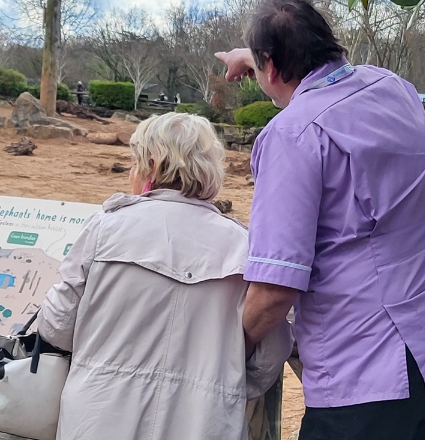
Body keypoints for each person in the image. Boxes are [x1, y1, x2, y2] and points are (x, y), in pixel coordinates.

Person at [215, 0, 425, 440]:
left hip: (373, 375)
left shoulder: (291, 135)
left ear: (269, 65)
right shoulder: (392, 87)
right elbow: (307, 71)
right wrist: (257, 55)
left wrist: (227, 353)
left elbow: (273, 290)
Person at [37, 112, 292, 440]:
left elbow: (57, 325)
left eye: (134, 161)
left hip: (98, 417)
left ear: (152, 165)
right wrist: (223, 384)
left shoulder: (105, 228)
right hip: (206, 423)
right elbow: (270, 353)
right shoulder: (244, 246)